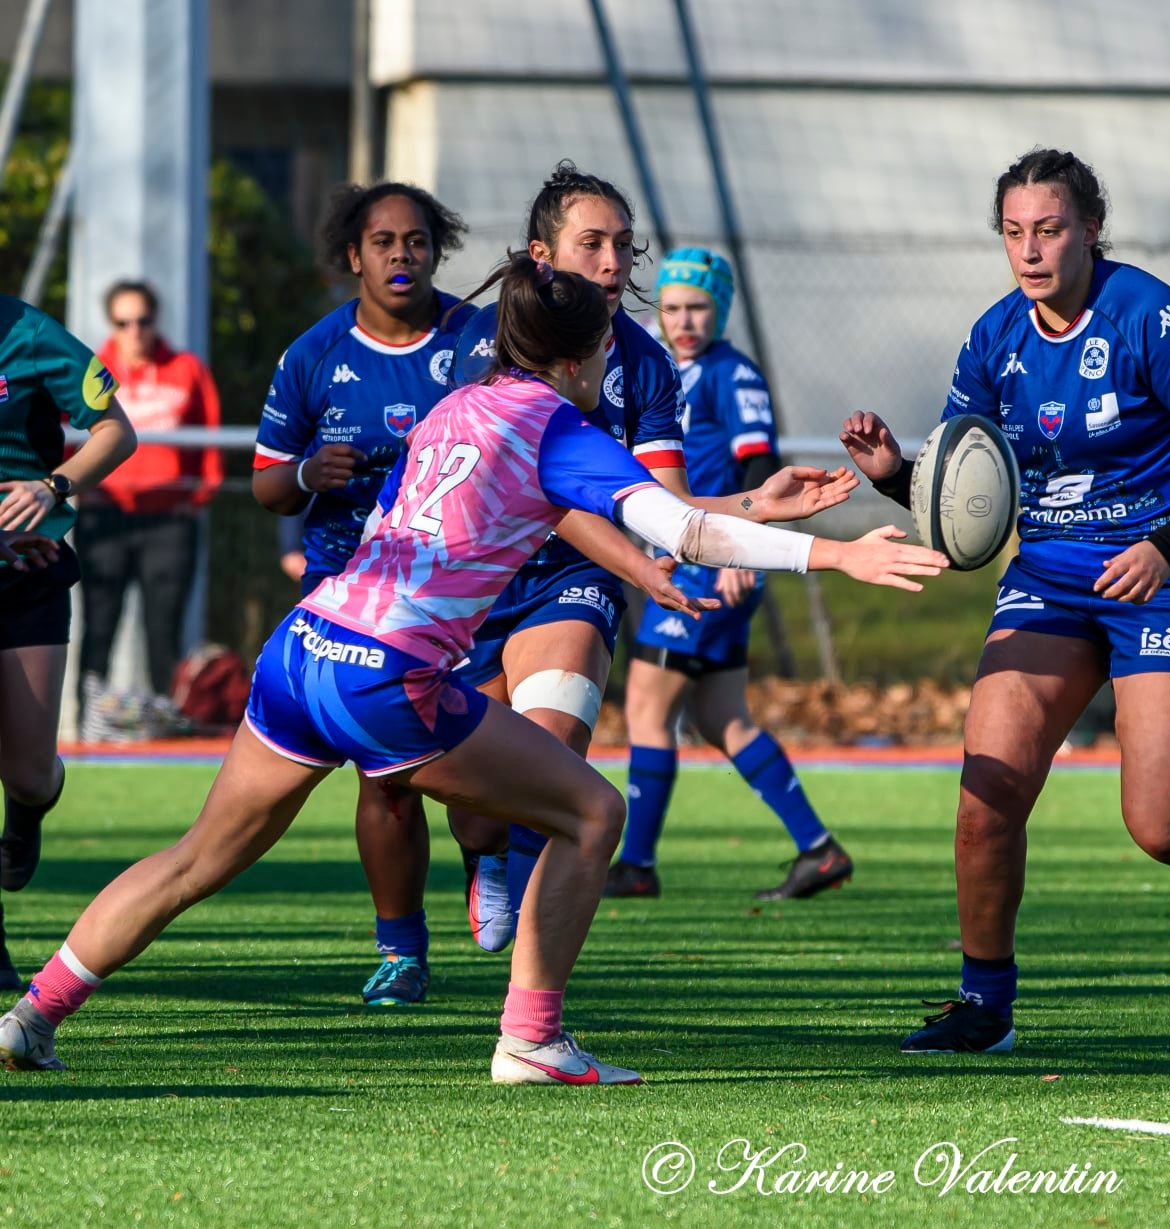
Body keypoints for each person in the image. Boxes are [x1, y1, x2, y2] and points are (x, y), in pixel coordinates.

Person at [0, 255, 947, 1082]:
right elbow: (681, 531)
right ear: (580, 357)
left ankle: (32, 1014)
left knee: (194, 860)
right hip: (385, 676)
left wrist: (753, 505)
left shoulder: (459, 405)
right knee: (592, 812)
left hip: (304, 646)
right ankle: (531, 1037)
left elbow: (595, 512)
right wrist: (840, 552)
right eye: (607, 350)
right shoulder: (560, 429)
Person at [841, 148, 1170, 1056]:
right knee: (987, 793)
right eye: (1013, 232)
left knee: (1165, 825)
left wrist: (1163, 547)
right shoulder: (993, 338)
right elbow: (971, 493)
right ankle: (984, 1005)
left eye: (1048, 230)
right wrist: (897, 477)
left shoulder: (1150, 317)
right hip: (1050, 577)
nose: (1029, 250)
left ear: (1089, 229)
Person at [444, 162, 690, 950]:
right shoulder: (476, 342)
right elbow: (520, 487)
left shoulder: (646, 363)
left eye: (623, 244)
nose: (613, 263)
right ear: (541, 256)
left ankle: (529, 984)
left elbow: (668, 506)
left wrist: (760, 507)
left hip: (575, 580)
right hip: (480, 581)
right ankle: (482, 856)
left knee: (551, 749)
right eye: (592, 244)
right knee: (477, 803)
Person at [251, 181, 474, 1006]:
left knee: (483, 793)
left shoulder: (475, 339)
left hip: (460, 589)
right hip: (352, 593)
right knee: (385, 779)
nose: (401, 256)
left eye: (416, 241)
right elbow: (267, 485)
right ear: (354, 255)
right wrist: (309, 473)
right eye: (384, 242)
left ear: (435, 252)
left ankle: (489, 859)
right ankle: (401, 951)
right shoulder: (313, 355)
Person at [613, 248, 852, 901]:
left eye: (697, 307)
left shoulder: (731, 373)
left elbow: (759, 467)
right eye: (671, 308)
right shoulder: (659, 364)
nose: (683, 320)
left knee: (646, 707)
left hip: (709, 564)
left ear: (719, 310)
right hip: (695, 558)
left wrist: (746, 552)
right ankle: (818, 849)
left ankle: (636, 865)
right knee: (724, 717)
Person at [0, 296, 138, 990]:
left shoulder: (29, 333)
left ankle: (27, 810)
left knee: (27, 772)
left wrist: (51, 488)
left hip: (27, 572)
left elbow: (117, 431)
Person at [75, 281, 222, 707]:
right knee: (98, 625)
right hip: (105, 516)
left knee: (164, 631)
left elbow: (209, 443)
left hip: (169, 518)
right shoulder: (90, 370)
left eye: (143, 320)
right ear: (112, 324)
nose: (135, 331)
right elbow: (66, 438)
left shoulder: (187, 368)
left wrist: (195, 501)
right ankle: (90, 722)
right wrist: (77, 491)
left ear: (156, 320)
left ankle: (166, 722)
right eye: (124, 322)